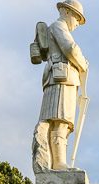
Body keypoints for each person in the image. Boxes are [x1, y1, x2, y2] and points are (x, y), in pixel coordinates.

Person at [32, 1, 89, 174]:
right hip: (61, 77)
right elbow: (70, 49)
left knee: (62, 122)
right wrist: (83, 64)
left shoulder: (56, 27)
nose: (77, 22)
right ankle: (58, 164)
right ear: (65, 11)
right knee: (59, 120)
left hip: (63, 78)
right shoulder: (58, 26)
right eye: (76, 17)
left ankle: (58, 163)